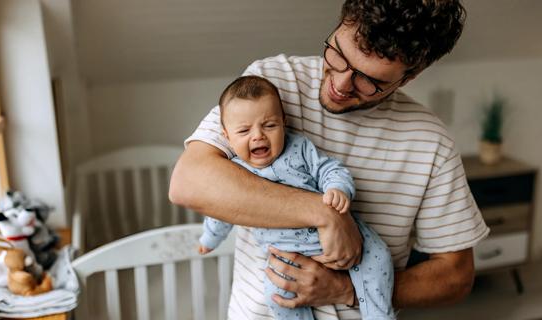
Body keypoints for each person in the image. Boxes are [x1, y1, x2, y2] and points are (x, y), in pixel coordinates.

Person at [169, 0, 490, 319]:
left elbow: (456, 277)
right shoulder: (273, 82)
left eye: (370, 81)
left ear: (409, 77)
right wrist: (326, 215)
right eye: (338, 55)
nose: (340, 84)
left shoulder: (430, 141)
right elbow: (188, 184)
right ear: (341, 22)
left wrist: (345, 288)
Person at [198, 75, 395, 320]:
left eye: (269, 125)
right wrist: (210, 237)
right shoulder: (236, 172)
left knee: (378, 256)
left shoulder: (299, 148)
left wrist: (338, 188)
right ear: (227, 137)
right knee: (277, 296)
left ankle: (378, 316)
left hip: (343, 238)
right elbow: (222, 208)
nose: (258, 136)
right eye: (244, 130)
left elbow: (329, 169)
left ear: (284, 123)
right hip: (286, 257)